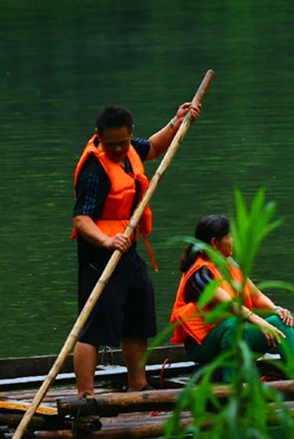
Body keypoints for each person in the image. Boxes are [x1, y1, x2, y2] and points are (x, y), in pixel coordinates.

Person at [72, 102, 200, 397]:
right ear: (99, 137)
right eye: (111, 144)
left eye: (123, 142)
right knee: (93, 325)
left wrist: (176, 122)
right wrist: (106, 241)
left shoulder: (129, 149)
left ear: (130, 134)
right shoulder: (95, 169)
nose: (118, 149)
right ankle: (86, 395)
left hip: (127, 247)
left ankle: (137, 383)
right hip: (100, 254)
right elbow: (81, 219)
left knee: (138, 312)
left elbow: (153, 148)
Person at [169, 215, 294, 380]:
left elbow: (255, 295)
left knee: (281, 322)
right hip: (203, 345)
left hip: (234, 335)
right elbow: (230, 306)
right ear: (214, 242)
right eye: (228, 236)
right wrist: (261, 323)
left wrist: (276, 309)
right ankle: (232, 386)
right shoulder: (199, 274)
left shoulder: (230, 264)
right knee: (232, 323)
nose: (232, 240)